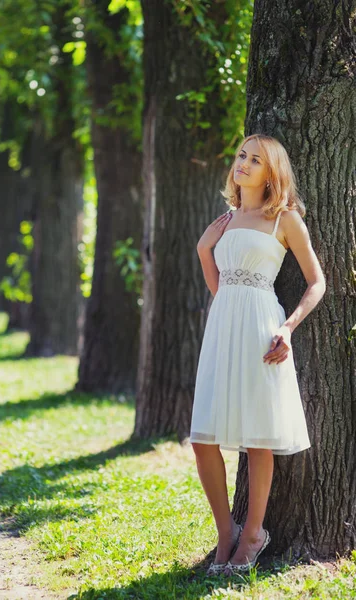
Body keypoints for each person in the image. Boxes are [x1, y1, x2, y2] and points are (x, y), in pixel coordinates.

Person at [189, 134, 326, 575]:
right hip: (223, 326)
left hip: (262, 330)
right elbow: (220, 287)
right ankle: (225, 531)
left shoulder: (284, 220)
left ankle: (253, 533)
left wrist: (287, 328)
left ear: (272, 173)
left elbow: (317, 282)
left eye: (255, 160)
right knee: (202, 437)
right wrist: (203, 249)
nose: (243, 164)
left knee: (257, 436)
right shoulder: (226, 221)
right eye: (241, 156)